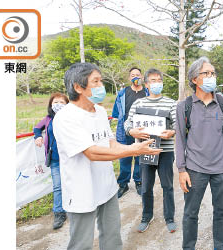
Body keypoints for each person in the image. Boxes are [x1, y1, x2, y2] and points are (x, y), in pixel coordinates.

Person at [53, 62, 162, 250]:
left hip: (108, 188)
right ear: (78, 87)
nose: (101, 86)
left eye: (101, 80)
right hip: (81, 193)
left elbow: (110, 143)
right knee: (81, 244)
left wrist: (136, 146)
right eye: (95, 81)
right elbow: (92, 152)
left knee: (112, 239)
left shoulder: (101, 112)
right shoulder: (66, 117)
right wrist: (134, 151)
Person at [175, 56, 223, 250]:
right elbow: (180, 139)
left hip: (221, 169)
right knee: (190, 214)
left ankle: (220, 246)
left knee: (221, 213)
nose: (212, 76)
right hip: (195, 169)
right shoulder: (184, 106)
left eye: (213, 73)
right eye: (206, 73)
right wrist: (181, 169)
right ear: (194, 79)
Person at [124, 68, 177, 233]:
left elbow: (177, 124)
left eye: (159, 80)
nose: (156, 83)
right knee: (146, 186)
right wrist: (132, 131)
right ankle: (147, 216)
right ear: (146, 84)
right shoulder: (139, 103)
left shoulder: (171, 103)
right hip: (145, 150)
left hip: (165, 151)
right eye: (153, 81)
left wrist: (172, 132)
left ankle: (170, 218)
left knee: (167, 186)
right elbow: (128, 123)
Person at [33, 92, 69, 230]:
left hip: (71, 158)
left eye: (62, 102)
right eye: (55, 102)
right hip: (55, 158)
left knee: (73, 182)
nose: (58, 105)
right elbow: (37, 127)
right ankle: (59, 212)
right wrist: (38, 136)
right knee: (58, 186)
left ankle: (75, 206)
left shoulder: (72, 118)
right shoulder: (48, 119)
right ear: (51, 105)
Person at [112, 67, 149, 197]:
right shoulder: (122, 93)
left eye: (137, 75)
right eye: (132, 75)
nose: (135, 77)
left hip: (142, 130)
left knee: (140, 157)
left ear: (142, 77)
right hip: (124, 130)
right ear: (129, 78)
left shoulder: (147, 92)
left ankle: (139, 182)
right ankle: (123, 184)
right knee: (124, 157)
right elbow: (116, 113)